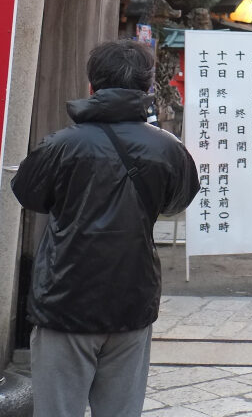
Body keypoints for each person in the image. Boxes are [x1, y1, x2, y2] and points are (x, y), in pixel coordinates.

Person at [10, 39, 199, 416]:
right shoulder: (168, 148)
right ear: (147, 88)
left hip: (66, 298)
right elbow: (177, 202)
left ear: (92, 85)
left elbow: (29, 195)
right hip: (133, 296)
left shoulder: (61, 144)